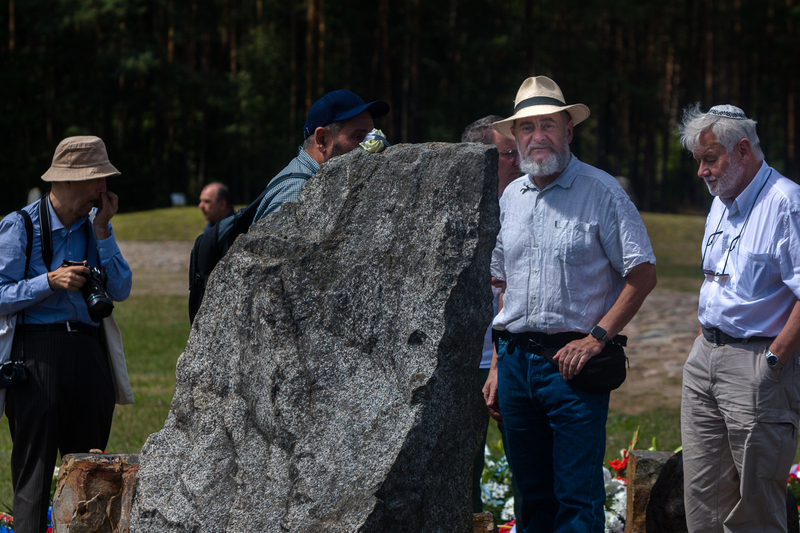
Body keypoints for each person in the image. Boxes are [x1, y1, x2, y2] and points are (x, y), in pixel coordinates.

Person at [482, 76, 657, 532]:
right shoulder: (510, 200)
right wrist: (499, 367)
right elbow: (502, 285)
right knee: (531, 499)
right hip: (516, 366)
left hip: (572, 368)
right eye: (526, 128)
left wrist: (597, 338)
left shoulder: (602, 192)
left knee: (577, 501)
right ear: (516, 137)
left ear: (568, 131)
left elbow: (642, 273)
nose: (537, 137)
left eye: (548, 125)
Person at [0, 136, 132, 533]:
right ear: (72, 181)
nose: (104, 189)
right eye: (98, 180)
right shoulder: (20, 225)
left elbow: (121, 289)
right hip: (37, 356)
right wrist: (49, 282)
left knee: (93, 473)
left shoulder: (97, 227)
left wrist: (104, 232)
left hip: (89, 354)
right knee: (34, 474)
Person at [678, 104, 800, 533]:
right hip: (705, 357)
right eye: (698, 161)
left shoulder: (787, 203)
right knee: (703, 500)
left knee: (755, 508)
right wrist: (703, 343)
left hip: (757, 364)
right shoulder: (722, 200)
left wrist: (774, 361)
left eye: (710, 158)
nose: (702, 171)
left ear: (743, 150)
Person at [461, 115, 522, 517]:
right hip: (461, 364)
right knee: (461, 476)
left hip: (510, 360)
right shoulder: (452, 212)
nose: (519, 162)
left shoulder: (525, 204)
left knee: (527, 468)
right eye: (507, 155)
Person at [253, 89, 389, 222]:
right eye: (358, 136)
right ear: (322, 140)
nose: (371, 147)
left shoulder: (315, 180)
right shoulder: (297, 193)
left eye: (372, 136)